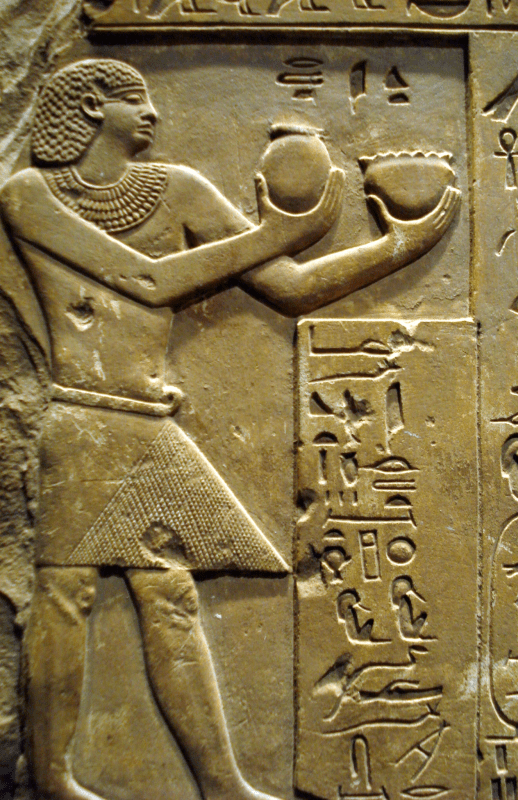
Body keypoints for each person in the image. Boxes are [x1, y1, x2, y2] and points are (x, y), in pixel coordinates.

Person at [0, 59, 460, 800]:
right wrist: (282, 231)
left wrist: (398, 246)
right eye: (134, 99)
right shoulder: (30, 195)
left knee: (173, 602)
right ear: (88, 109)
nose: (152, 112)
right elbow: (148, 282)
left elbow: (289, 287)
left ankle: (222, 785)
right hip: (85, 417)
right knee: (65, 594)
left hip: (148, 420)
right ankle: (52, 781)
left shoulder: (179, 190)